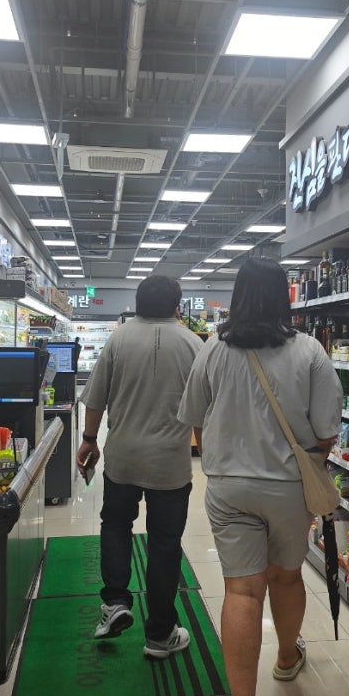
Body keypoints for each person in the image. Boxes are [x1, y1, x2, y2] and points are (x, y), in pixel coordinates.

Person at [178, 257, 343, 696]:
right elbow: (327, 431)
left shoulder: (212, 350)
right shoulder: (310, 351)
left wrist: (222, 458)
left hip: (229, 486)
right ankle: (287, 657)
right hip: (289, 487)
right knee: (286, 578)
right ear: (284, 298)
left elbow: (195, 419)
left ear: (237, 297)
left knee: (242, 591)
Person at [76, 275, 204, 658]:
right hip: (171, 464)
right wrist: (210, 456)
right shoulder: (194, 344)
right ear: (177, 306)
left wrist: (88, 439)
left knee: (116, 525)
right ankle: (160, 634)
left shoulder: (119, 339)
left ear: (138, 303)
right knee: (165, 543)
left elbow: (95, 398)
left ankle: (116, 602)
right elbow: (203, 412)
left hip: (123, 457)